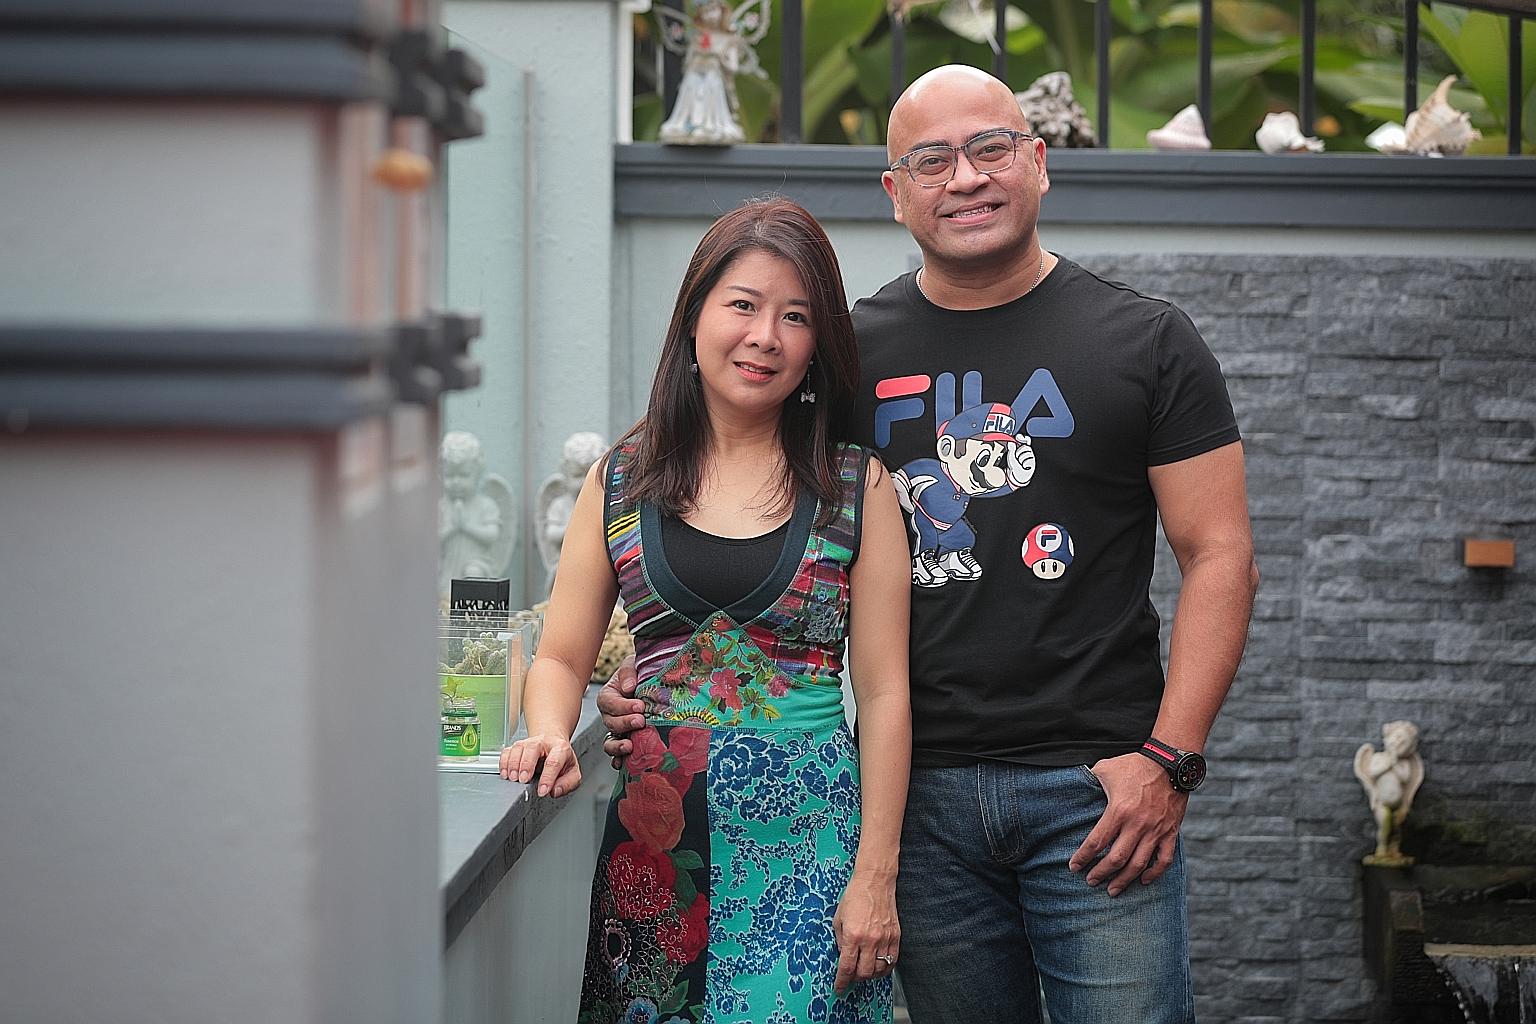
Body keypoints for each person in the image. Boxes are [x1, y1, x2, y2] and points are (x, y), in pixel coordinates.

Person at [601, 65, 1259, 1023]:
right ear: (895, 191)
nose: (967, 178)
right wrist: (662, 672)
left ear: (1040, 163)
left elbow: (1221, 555)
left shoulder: (1147, 341)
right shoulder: (844, 358)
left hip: (1098, 792)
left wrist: (1171, 761)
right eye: (932, 160)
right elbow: (735, 504)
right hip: (916, 807)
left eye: (991, 148)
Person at [502, 198, 912, 1024]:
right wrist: (549, 730)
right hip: (655, 856)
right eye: (743, 305)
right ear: (694, 317)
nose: (765, 336)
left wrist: (876, 874)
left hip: (812, 855)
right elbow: (562, 658)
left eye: (795, 317)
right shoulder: (621, 479)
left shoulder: (856, 485)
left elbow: (884, 693)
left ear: (817, 346)